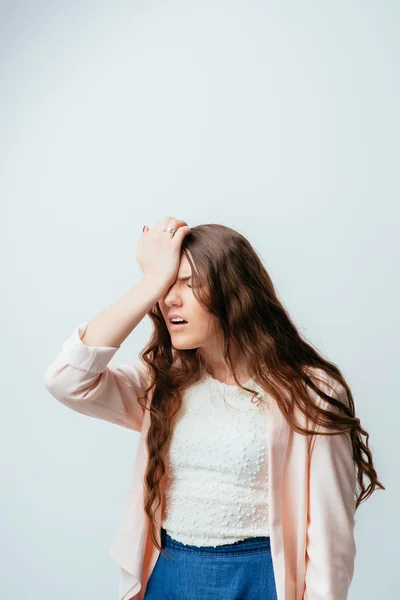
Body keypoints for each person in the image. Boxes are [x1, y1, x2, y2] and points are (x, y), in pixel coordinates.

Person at [44, 216, 384, 600]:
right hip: (168, 577)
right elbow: (67, 380)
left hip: (260, 580)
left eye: (189, 284)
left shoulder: (309, 392)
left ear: (235, 292)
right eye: (167, 286)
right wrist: (148, 283)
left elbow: (329, 538)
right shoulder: (162, 381)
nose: (171, 299)